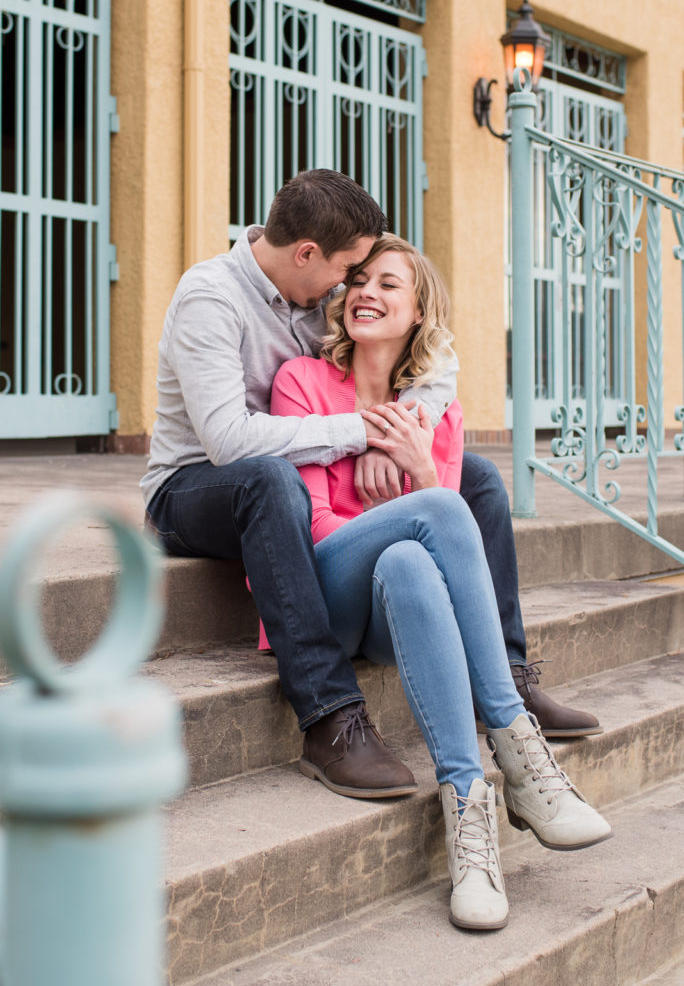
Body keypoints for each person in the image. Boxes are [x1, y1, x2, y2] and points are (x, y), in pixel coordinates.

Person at [269, 233, 611, 930]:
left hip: (402, 609)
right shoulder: (301, 383)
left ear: (420, 309)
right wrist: (389, 476)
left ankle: (469, 814)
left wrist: (418, 470)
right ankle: (517, 744)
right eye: (359, 279)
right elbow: (309, 531)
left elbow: (447, 557)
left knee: (410, 559)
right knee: (432, 515)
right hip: (326, 599)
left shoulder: (435, 413)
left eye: (389, 284)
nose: (367, 292)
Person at [142, 169, 461, 800]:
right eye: (345, 270)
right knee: (268, 480)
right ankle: (328, 716)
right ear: (306, 254)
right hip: (188, 492)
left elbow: (436, 358)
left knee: (470, 473)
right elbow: (229, 443)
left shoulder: (315, 299)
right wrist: (360, 431)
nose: (349, 287)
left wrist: (397, 431)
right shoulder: (211, 296)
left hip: (287, 477)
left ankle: (508, 667)